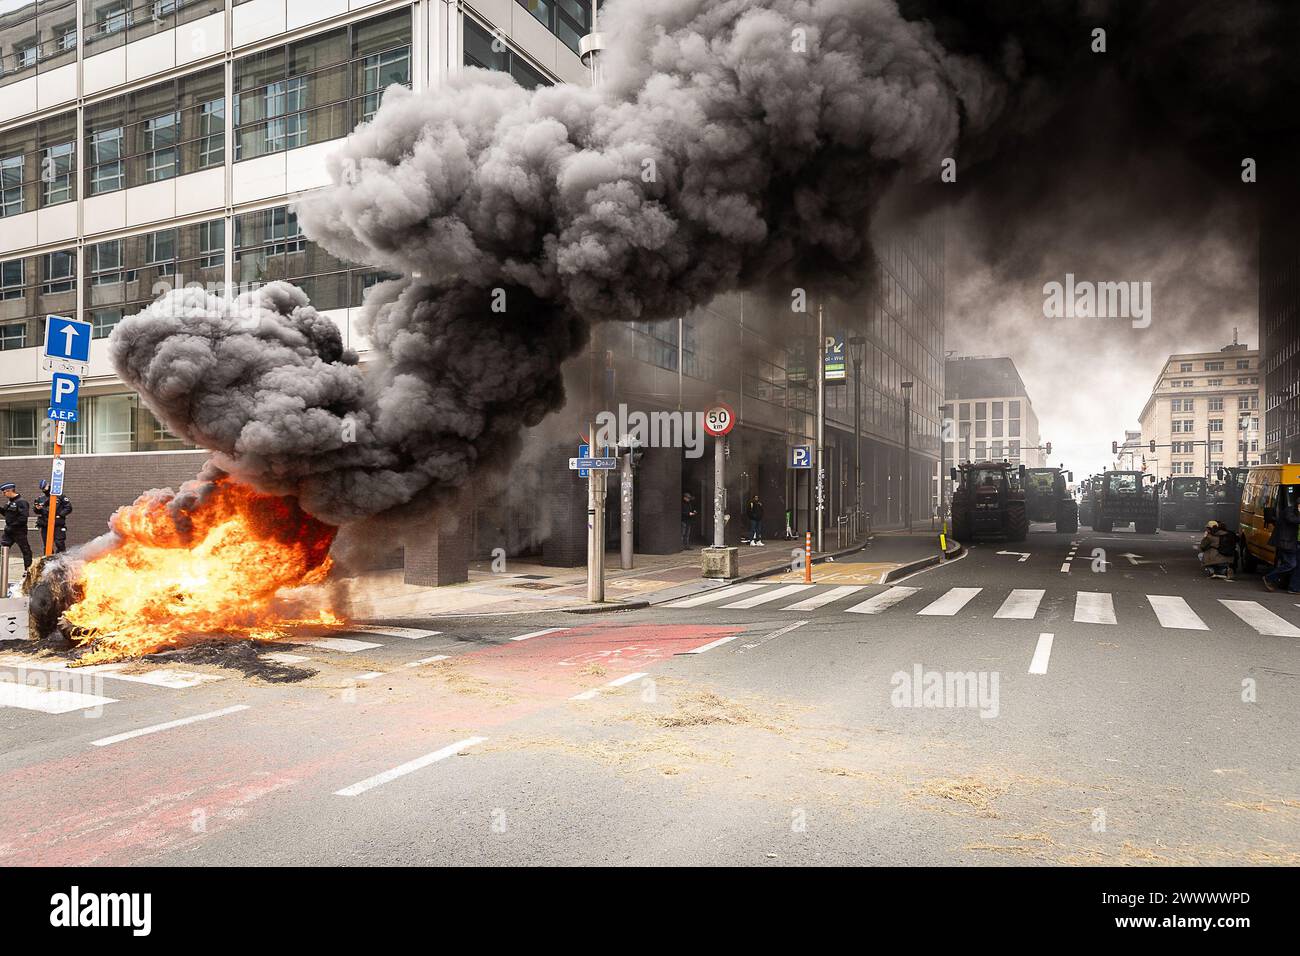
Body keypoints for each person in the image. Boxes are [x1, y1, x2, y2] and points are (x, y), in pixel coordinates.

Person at [1263, 485, 1300, 593]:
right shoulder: (1289, 511)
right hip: (1288, 543)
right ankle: (1269, 577)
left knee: (1298, 566)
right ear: (1297, 505)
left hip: (1296, 543)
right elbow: (1291, 520)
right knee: (1291, 564)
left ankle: (1294, 588)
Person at [33, 478, 72, 554]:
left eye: (45, 487)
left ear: (48, 485)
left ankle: (61, 560)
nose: (44, 490)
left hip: (57, 524)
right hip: (45, 524)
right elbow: (36, 510)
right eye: (43, 489)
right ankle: (49, 562)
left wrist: (60, 515)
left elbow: (68, 507)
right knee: (47, 545)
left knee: (59, 543)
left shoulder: (60, 496)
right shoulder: (40, 499)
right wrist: (37, 509)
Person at [0, 482, 32, 572]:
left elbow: (23, 518)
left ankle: (28, 571)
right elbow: (5, 514)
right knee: (2, 549)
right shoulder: (10, 501)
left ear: (10, 491)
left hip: (19, 531)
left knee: (25, 550)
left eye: (4, 492)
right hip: (9, 532)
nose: (3, 494)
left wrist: (12, 526)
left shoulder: (21, 502)